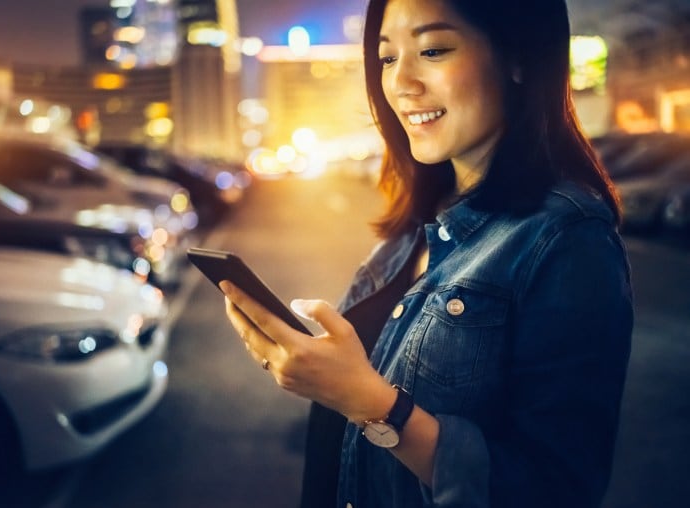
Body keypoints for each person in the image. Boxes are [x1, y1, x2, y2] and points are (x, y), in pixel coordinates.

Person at [218, 0, 634, 506]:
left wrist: (369, 402)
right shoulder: (421, 221)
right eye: (387, 58)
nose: (400, 82)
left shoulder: (568, 237)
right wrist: (318, 367)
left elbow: (555, 488)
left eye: (433, 50)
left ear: (520, 57)